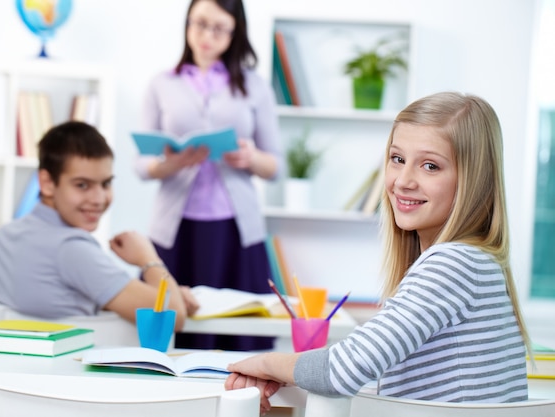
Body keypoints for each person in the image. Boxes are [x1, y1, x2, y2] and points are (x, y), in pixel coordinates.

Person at [225, 92, 531, 413]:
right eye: (397, 159)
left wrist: (263, 364)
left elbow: (340, 371)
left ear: (473, 182)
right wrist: (290, 372)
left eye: (430, 166)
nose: (403, 181)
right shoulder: (476, 260)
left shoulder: (454, 263)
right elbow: (364, 368)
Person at [134, 0, 283, 351]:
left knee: (240, 333)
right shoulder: (162, 83)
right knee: (166, 330)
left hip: (234, 228)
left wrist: (250, 157)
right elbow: (140, 164)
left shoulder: (254, 86)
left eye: (219, 28)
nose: (206, 36)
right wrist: (167, 165)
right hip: (175, 229)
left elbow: (276, 166)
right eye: (199, 24)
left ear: (235, 33)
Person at [0, 121, 198, 331]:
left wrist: (162, 295)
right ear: (47, 183)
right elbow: (172, 316)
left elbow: (53, 297)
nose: (98, 198)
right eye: (82, 185)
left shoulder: (3, 236)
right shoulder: (71, 248)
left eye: (105, 183)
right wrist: (149, 259)